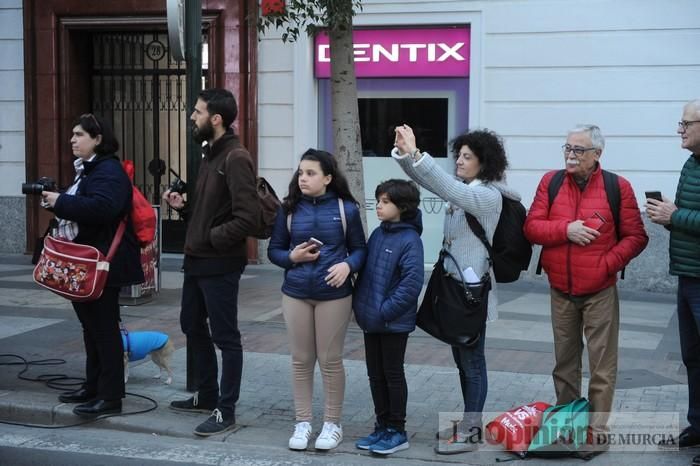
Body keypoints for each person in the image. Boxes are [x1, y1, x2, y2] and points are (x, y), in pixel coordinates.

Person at [392, 125, 520, 454]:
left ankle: (472, 428)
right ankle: (468, 422)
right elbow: (430, 181)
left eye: (467, 157)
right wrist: (405, 155)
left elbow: (445, 186)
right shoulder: (466, 189)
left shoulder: (487, 196)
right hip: (456, 290)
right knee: (463, 360)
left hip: (471, 295)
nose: (459, 162)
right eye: (458, 156)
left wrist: (418, 154)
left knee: (472, 362)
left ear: (484, 162)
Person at [524, 124, 648, 448]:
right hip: (560, 290)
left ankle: (596, 433)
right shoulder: (550, 182)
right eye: (567, 148)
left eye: (579, 150)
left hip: (600, 292)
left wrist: (606, 265)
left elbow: (637, 237)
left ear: (597, 154)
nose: (571, 155)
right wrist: (566, 230)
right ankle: (568, 427)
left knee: (602, 368)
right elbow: (532, 227)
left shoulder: (616, 187)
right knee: (565, 365)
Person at [163, 88, 259, 437]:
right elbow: (211, 211)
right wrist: (184, 208)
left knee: (226, 336)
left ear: (215, 119)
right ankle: (206, 395)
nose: (193, 116)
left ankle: (226, 410)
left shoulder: (236, 158)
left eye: (198, 111)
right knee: (191, 323)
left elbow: (247, 218)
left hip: (220, 262)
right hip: (198, 259)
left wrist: (212, 238)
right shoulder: (210, 155)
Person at [42, 113, 144, 417]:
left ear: (98, 139)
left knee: (104, 329)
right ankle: (94, 386)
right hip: (89, 262)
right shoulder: (88, 170)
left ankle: (111, 396)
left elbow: (103, 208)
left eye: (79, 135)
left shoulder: (108, 170)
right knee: (91, 327)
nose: (73, 140)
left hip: (104, 263)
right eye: (72, 134)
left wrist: (60, 202)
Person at [267, 149, 367, 451]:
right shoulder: (288, 209)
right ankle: (303, 423)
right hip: (296, 293)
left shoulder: (346, 208)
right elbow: (274, 250)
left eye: (310, 173)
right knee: (301, 361)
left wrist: (347, 265)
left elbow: (361, 250)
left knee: (330, 361)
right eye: (301, 173)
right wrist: (292, 257)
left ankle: (332, 424)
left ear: (327, 177)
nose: (303, 178)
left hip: (334, 296)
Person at [352, 179, 424, 455]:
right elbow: (368, 275)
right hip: (372, 320)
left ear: (402, 207)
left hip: (392, 323)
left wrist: (384, 312)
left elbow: (411, 284)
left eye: (385, 202)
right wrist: (362, 308)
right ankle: (381, 426)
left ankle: (397, 430)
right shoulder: (378, 235)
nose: (379, 207)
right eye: (378, 201)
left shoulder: (410, 240)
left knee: (392, 374)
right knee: (375, 375)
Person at [647, 100, 700, 458]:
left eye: (685, 123)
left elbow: (688, 216)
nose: (679, 130)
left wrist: (676, 214)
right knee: (693, 357)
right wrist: (669, 216)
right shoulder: (691, 163)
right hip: (688, 276)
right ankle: (697, 426)